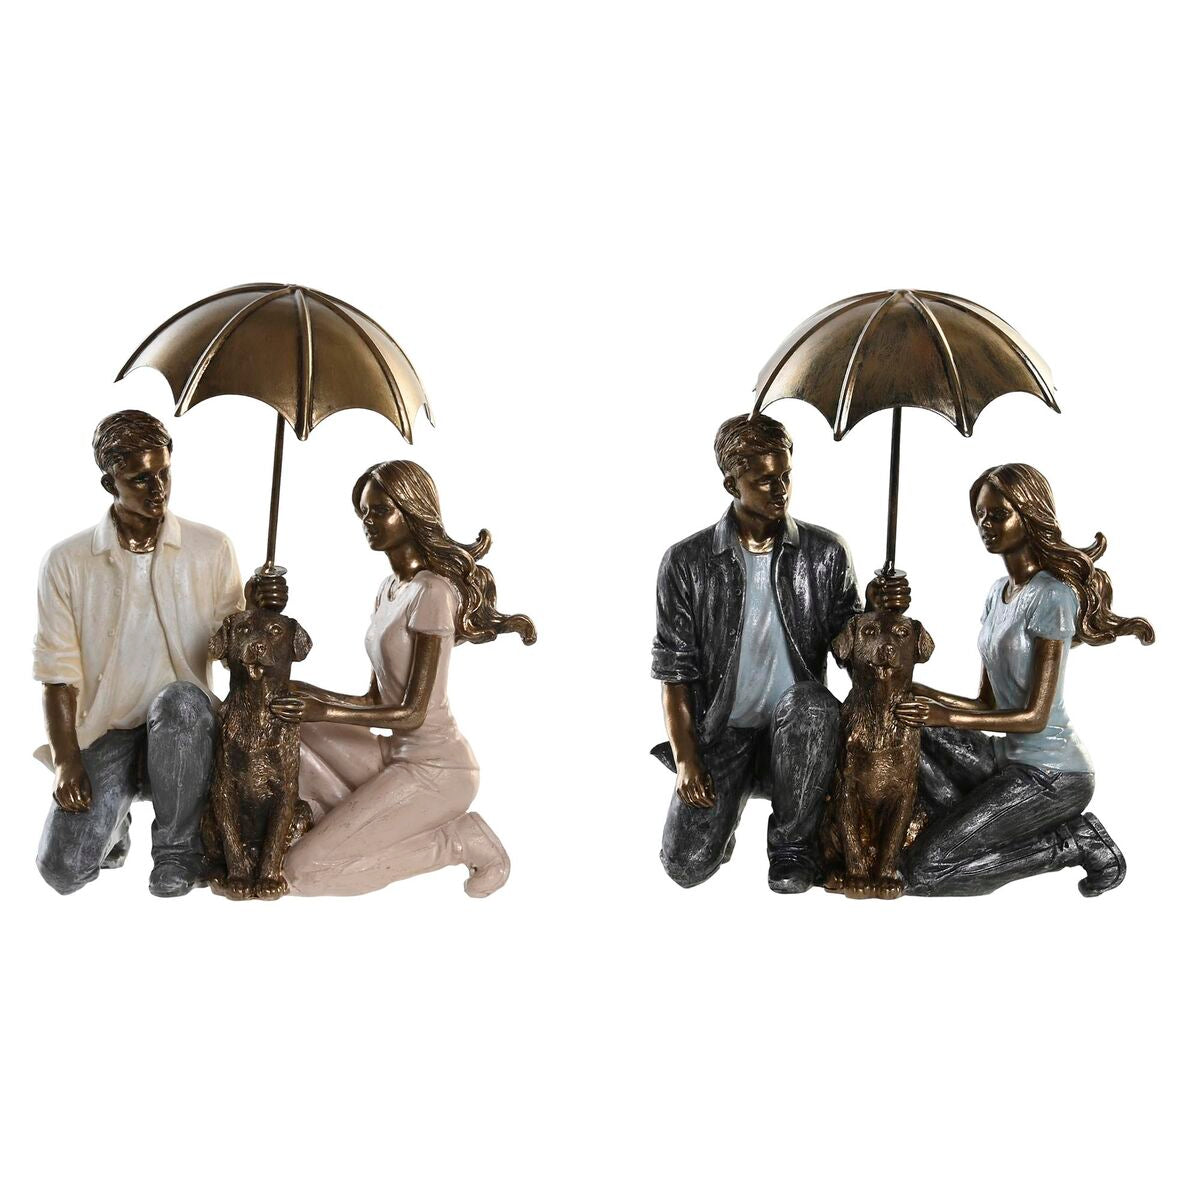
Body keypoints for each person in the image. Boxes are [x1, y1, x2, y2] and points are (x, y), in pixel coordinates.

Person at [651, 412, 906, 893]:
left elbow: (851, 653)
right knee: (686, 866)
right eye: (765, 480)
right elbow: (675, 672)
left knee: (812, 703)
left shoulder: (825, 553)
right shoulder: (686, 562)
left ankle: (792, 845)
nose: (781, 490)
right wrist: (687, 759)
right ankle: (730, 804)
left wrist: (876, 612)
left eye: (786, 475)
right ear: (732, 484)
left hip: (801, 731)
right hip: (723, 732)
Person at [33, 409, 282, 897]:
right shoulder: (66, 562)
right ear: (110, 483)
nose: (158, 489)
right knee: (62, 870)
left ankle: (176, 851)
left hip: (187, 726)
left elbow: (233, 654)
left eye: (164, 472)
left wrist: (255, 611)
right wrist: (66, 761)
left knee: (180, 700)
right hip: (108, 731)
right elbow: (56, 674)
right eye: (140, 479)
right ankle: (116, 824)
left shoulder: (211, 549)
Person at [272, 460, 535, 898]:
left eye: (380, 511)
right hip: (393, 754)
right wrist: (307, 693)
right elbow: (374, 699)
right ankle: (336, 822)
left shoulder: (433, 593)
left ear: (411, 513)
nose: (368, 521)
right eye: (363, 512)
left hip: (437, 767)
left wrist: (322, 709)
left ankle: (458, 841)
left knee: (300, 873)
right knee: (283, 720)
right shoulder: (388, 590)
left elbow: (412, 713)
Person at [895, 463, 1154, 897]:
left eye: (999, 514)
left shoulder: (1052, 596)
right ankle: (966, 828)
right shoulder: (997, 594)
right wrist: (920, 692)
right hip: (1006, 760)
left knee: (924, 871)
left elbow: (1034, 717)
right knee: (907, 721)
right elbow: (986, 704)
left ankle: (1073, 841)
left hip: (1052, 774)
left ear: (1030, 515)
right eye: (980, 515)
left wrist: (944, 716)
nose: (985, 524)